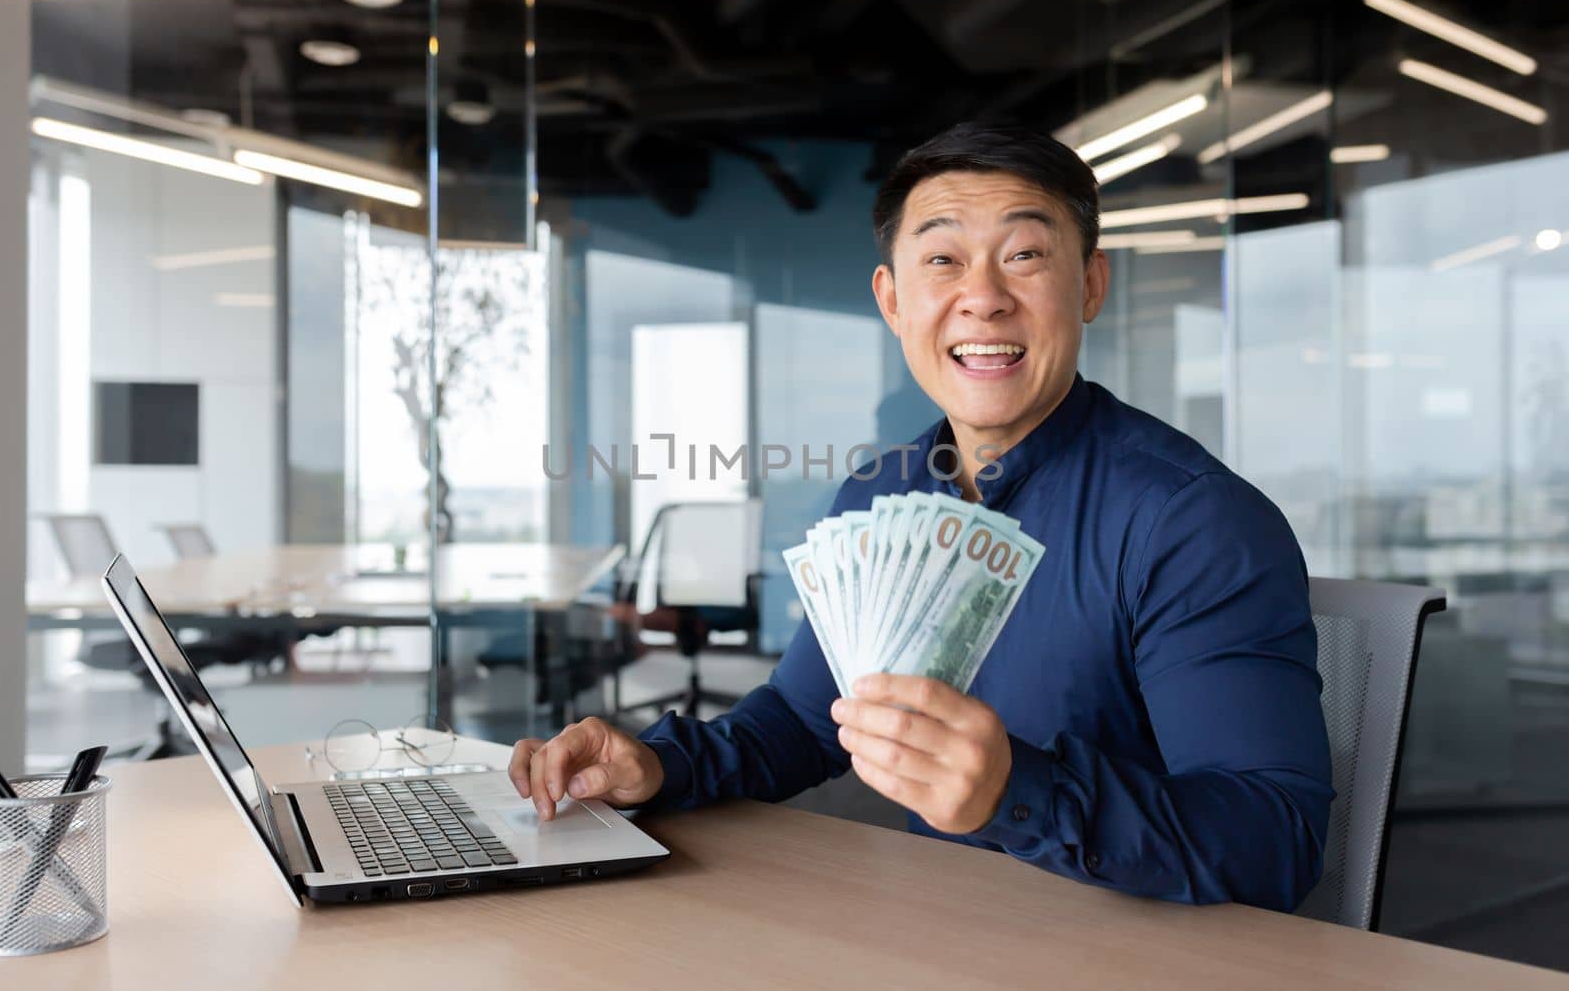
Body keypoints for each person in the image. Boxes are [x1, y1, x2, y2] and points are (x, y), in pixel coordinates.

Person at [511, 122, 1333, 910]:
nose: (983, 297)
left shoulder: (1194, 523)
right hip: (932, 932)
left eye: (1025, 256)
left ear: (1090, 284)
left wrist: (1019, 791)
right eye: (943, 259)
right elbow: (808, 717)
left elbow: (1275, 836)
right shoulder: (880, 497)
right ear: (893, 299)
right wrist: (655, 763)